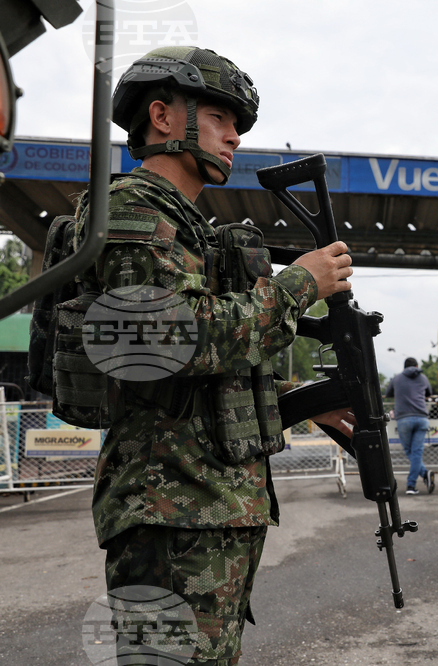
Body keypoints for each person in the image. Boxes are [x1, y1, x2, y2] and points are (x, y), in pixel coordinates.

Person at [82, 47, 355, 663]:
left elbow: (211, 375)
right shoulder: (131, 214)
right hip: (170, 512)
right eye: (220, 117)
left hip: (206, 506)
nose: (235, 135)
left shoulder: (187, 227)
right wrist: (299, 285)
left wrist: (304, 404)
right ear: (161, 116)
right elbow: (169, 339)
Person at [386, 357, 435, 495]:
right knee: (416, 453)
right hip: (421, 418)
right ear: (417, 365)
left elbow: (388, 393)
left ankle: (411, 485)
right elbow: (429, 393)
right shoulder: (423, 378)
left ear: (404, 366)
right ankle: (425, 475)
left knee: (410, 452)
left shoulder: (397, 378)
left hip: (404, 419)